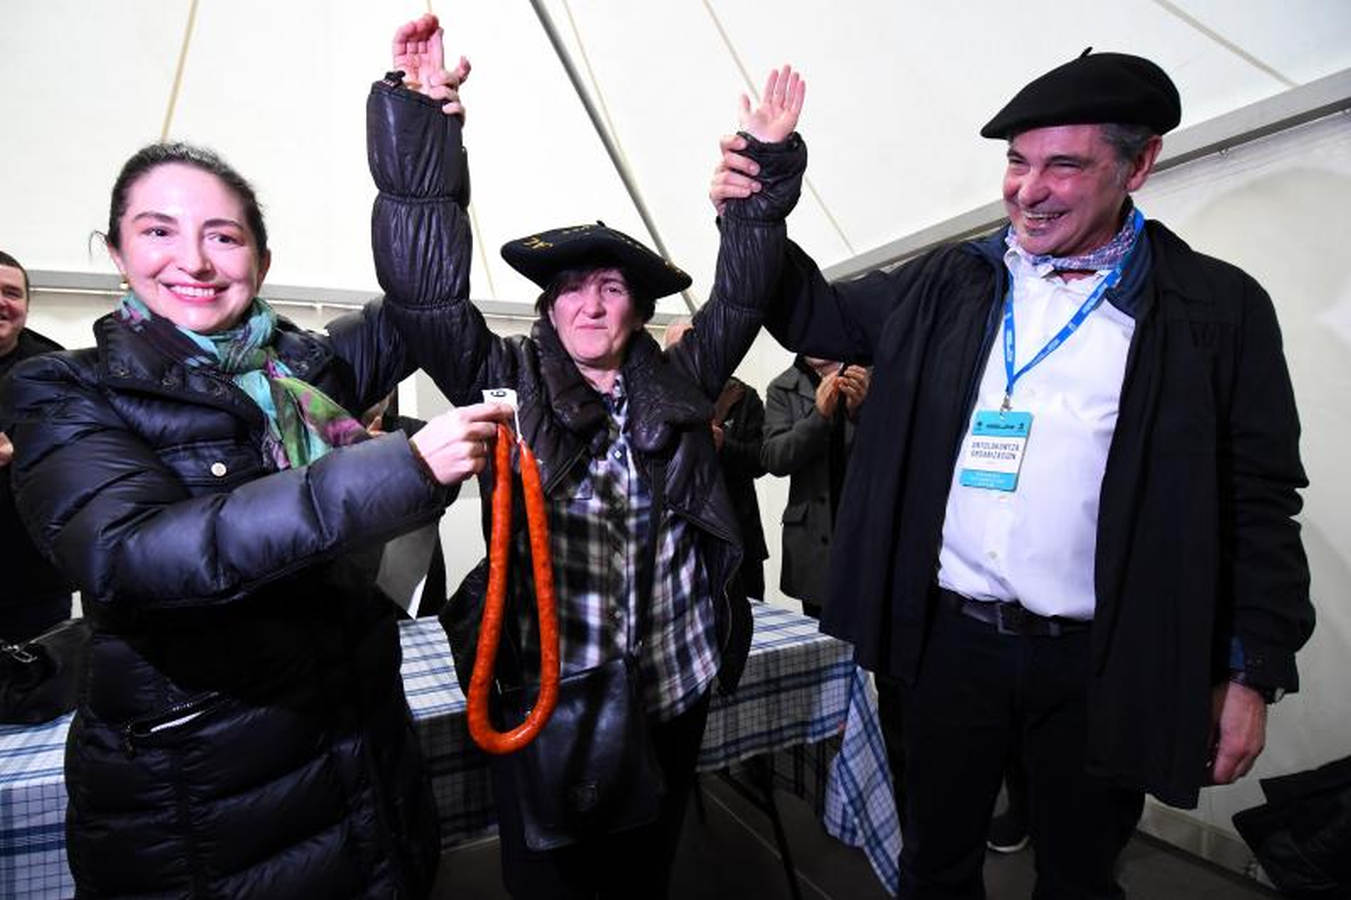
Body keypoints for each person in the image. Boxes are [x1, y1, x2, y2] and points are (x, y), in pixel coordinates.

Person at [710, 52, 1315, 898]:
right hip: (947, 648)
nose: (1028, 190)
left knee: (1078, 874)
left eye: (1063, 165)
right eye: (1016, 162)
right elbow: (815, 311)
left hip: (1100, 662)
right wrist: (760, 203)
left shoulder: (1213, 309)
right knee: (933, 863)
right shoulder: (949, 283)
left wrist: (1249, 673)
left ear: (1139, 164)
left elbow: (1257, 501)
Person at [0, 121, 513, 894]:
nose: (195, 260)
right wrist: (397, 468)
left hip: (361, 754)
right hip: (206, 797)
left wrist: (420, 145)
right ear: (116, 253)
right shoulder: (63, 390)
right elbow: (132, 553)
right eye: (158, 231)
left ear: (262, 259)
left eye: (223, 236)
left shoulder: (305, 370)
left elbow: (421, 297)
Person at [369, 17, 805, 898]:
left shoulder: (684, 378)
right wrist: (420, 130)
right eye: (571, 289)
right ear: (549, 308)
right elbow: (423, 297)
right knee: (550, 880)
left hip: (672, 678)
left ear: (638, 309)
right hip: (547, 689)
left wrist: (761, 180)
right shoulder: (502, 381)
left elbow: (747, 291)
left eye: (610, 288)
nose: (590, 305)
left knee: (646, 872)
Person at [664, 318, 770, 602]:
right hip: (680, 537)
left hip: (739, 532)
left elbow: (762, 460)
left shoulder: (743, 396)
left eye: (694, 347)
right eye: (679, 350)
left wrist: (725, 445)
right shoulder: (656, 398)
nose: (689, 358)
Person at [760, 355, 869, 618]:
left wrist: (862, 412)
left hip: (864, 533)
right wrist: (818, 417)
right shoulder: (783, 387)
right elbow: (774, 459)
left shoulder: (867, 377)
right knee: (820, 640)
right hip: (813, 541)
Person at [0, 250, 72, 642]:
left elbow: (82, 453)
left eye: (12, 293)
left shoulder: (52, 368)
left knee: (38, 689)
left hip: (31, 579)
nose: (2, 303)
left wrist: (19, 450)